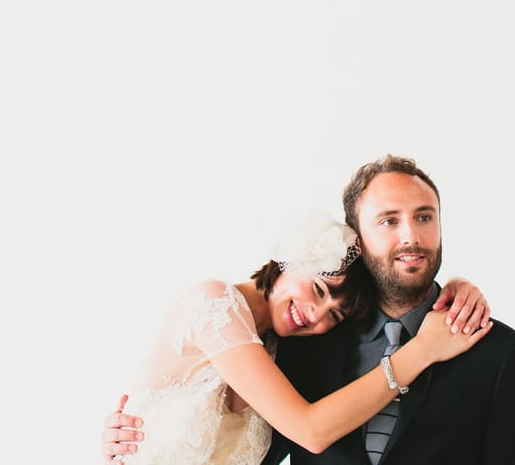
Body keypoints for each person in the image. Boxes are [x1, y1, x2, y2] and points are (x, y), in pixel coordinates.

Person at [102, 191, 492, 464]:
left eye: (335, 317)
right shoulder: (214, 305)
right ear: (291, 260)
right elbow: (311, 431)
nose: (316, 315)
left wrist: (453, 290)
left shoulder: (280, 349)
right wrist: (422, 351)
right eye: (319, 289)